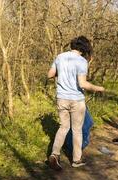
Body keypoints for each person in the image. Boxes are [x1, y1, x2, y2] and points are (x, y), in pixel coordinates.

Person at [47, 36, 105, 170]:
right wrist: (99, 88)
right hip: (76, 100)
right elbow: (82, 84)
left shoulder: (60, 57)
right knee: (77, 130)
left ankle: (54, 154)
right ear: (84, 48)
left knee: (63, 127)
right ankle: (76, 160)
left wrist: (62, 73)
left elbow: (50, 74)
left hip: (61, 98)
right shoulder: (81, 61)